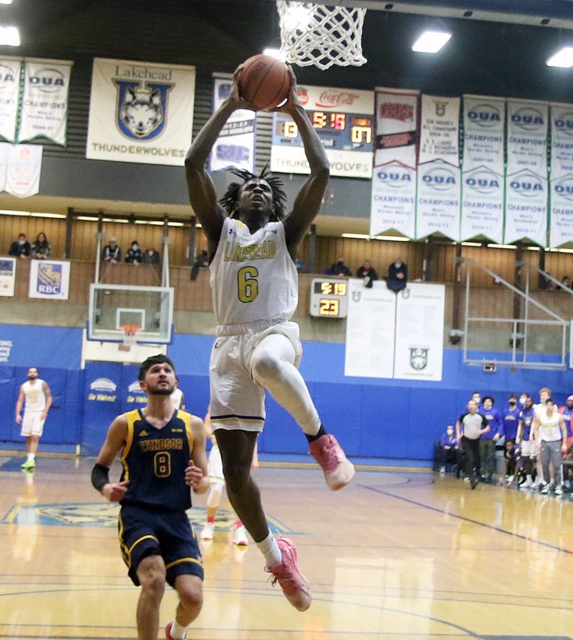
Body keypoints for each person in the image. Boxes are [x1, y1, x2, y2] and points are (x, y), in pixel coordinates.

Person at [185, 68, 353, 612]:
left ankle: (322, 442)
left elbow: (323, 169)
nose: (257, 188)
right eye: (248, 186)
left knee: (268, 360)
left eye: (265, 187)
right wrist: (232, 106)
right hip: (226, 347)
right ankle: (277, 558)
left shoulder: (287, 233)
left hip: (275, 333)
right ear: (236, 202)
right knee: (234, 475)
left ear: (274, 204)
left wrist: (297, 111)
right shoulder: (221, 232)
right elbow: (191, 163)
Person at [90, 355, 208, 640]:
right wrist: (105, 488)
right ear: (144, 384)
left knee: (193, 596)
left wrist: (199, 481)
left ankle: (176, 631)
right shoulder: (125, 424)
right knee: (153, 580)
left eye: (168, 370)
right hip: (137, 515)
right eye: (156, 371)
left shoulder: (192, 426)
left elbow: (203, 483)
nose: (163, 374)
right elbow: (99, 469)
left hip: (176, 518)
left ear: (176, 382)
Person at [201, 411, 251, 546]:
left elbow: (253, 433)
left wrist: (254, 457)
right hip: (219, 450)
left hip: (240, 450)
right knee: (216, 488)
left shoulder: (246, 401)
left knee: (239, 491)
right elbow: (207, 423)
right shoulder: (220, 397)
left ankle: (240, 529)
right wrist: (212, 434)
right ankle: (209, 524)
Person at [15, 367, 52, 470]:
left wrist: (45, 411)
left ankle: (31, 460)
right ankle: (29, 459)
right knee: (28, 436)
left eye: (34, 372)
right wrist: (17, 414)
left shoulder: (42, 384)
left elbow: (49, 397)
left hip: (39, 412)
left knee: (35, 436)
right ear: (28, 374)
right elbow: (20, 401)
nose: (32, 373)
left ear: (37, 373)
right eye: (31, 372)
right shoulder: (24, 386)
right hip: (28, 412)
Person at [534, 398, 568, 495]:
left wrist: (564, 443)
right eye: (547, 405)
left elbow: (564, 430)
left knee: (557, 464)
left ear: (553, 406)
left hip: (555, 442)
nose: (549, 407)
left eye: (551, 405)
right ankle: (547, 483)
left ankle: (558, 485)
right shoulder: (540, 417)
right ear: (545, 406)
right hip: (544, 442)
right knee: (544, 464)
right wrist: (537, 440)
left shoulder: (558, 417)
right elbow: (536, 428)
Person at [457, 400, 489, 489]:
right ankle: (472, 478)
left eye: (473, 404)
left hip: (476, 440)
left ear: (476, 406)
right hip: (466, 440)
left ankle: (475, 475)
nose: (471, 406)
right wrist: (458, 434)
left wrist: (482, 431)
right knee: (470, 458)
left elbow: (488, 427)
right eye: (469, 404)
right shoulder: (464, 416)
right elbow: (458, 423)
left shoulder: (480, 417)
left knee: (476, 459)